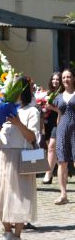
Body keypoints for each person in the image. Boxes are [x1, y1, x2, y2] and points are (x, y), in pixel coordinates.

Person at [0, 77, 40, 240]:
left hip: (21, 156)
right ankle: (7, 231)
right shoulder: (4, 107)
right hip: (2, 155)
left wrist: (18, 123)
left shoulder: (31, 111)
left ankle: (17, 236)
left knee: (19, 196)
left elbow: (32, 138)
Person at [53, 68, 75, 204]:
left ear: (73, 78)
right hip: (62, 130)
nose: (66, 79)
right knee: (62, 162)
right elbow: (59, 115)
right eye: (64, 77)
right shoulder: (58, 97)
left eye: (68, 77)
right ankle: (63, 194)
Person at [42, 72, 62, 184]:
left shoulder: (63, 94)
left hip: (58, 123)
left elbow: (65, 111)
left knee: (51, 147)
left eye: (57, 79)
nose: (55, 81)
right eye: (53, 79)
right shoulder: (49, 93)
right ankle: (64, 169)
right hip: (47, 123)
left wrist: (52, 108)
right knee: (52, 149)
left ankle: (48, 173)